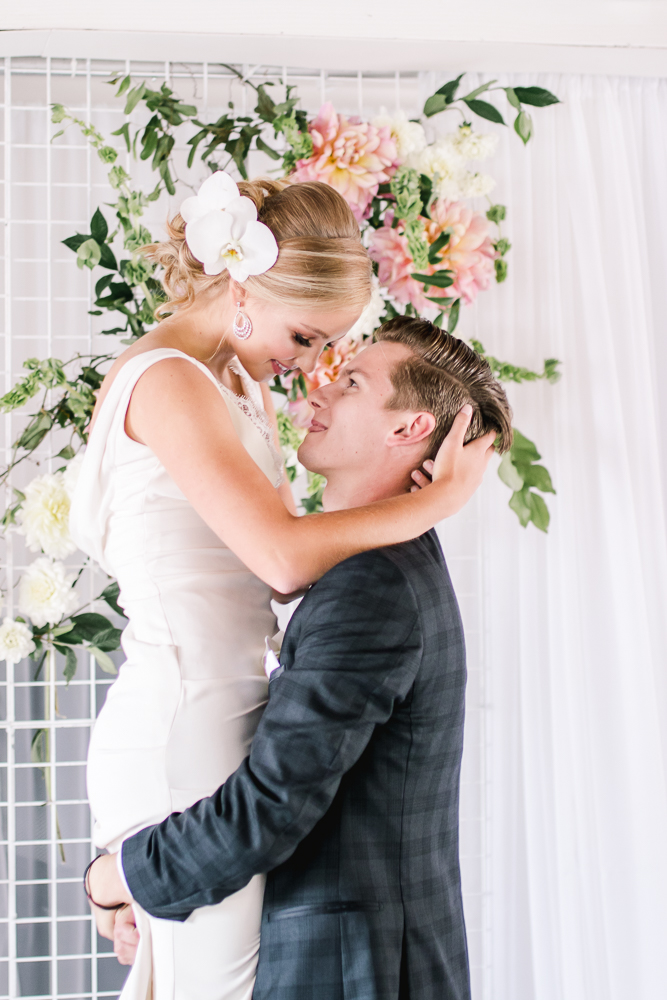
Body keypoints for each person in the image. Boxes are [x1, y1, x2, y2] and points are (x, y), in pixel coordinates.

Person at [71, 174, 497, 1000]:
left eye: (326, 353)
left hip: (222, 713)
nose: (307, 370)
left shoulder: (235, 382)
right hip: (184, 716)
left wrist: (136, 876)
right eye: (306, 338)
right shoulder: (169, 381)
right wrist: (440, 498)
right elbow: (280, 558)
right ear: (243, 285)